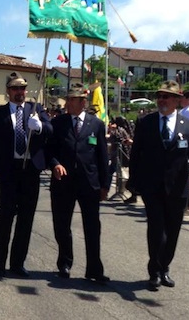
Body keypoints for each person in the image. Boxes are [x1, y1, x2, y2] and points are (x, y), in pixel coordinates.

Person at [129, 80, 189, 290]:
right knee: (157, 230)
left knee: (172, 231)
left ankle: (165, 268)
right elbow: (136, 155)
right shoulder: (146, 122)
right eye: (159, 96)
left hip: (178, 187)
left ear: (177, 100)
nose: (161, 100)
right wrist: (134, 181)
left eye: (166, 96)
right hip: (152, 187)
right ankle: (154, 271)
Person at [0, 71, 52, 278]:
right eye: (15, 88)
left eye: (22, 88)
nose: (19, 92)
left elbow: (50, 129)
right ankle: (1, 260)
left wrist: (39, 127)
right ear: (8, 91)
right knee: (6, 215)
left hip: (30, 170)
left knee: (26, 218)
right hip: (8, 170)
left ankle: (18, 262)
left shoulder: (35, 109)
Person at [47, 83, 110, 283]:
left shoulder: (96, 124)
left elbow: (102, 156)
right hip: (63, 182)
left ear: (83, 102)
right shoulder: (58, 123)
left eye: (72, 100)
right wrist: (55, 164)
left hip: (89, 183)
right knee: (61, 225)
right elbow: (49, 150)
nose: (68, 103)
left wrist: (105, 185)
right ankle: (65, 263)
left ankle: (94, 268)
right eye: (68, 99)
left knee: (92, 227)